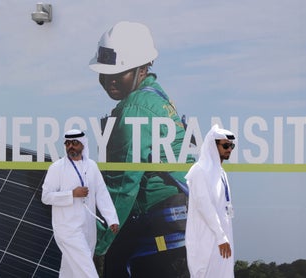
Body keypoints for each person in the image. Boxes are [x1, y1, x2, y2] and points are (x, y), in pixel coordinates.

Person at [89, 21, 194, 277]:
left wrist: (93, 244)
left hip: (159, 241)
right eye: (104, 73)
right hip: (176, 237)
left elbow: (122, 186)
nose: (108, 80)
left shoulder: (135, 109)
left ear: (143, 68)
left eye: (118, 73)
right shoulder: (157, 98)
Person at [41, 129, 119, 278]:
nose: (71, 146)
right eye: (68, 143)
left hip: (88, 227)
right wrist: (71, 194)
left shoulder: (92, 166)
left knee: (70, 270)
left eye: (75, 143)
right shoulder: (57, 168)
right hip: (67, 228)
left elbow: (101, 194)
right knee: (86, 270)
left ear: (83, 144)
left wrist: (112, 219)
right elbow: (46, 197)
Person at [185, 124, 236, 278]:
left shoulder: (221, 173)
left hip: (223, 239)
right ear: (213, 146)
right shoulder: (199, 171)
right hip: (205, 241)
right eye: (226, 145)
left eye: (231, 146)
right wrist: (220, 237)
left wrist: (223, 237)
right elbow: (204, 206)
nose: (229, 149)